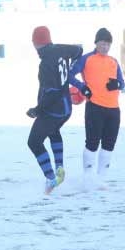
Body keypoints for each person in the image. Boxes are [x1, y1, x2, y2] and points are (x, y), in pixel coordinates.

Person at [27, 26, 82, 194]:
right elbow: (79, 50)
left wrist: (37, 110)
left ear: (35, 43)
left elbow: (51, 93)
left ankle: (51, 178)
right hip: (66, 108)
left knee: (34, 142)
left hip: (54, 109)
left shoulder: (45, 64)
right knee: (53, 131)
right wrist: (70, 68)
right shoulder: (61, 49)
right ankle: (59, 167)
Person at [70, 27, 125, 187]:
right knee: (92, 143)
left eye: (107, 44)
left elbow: (122, 83)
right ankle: (88, 177)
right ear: (96, 43)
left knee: (109, 144)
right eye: (102, 43)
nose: (105, 47)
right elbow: (69, 75)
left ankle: (101, 179)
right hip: (95, 107)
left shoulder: (113, 61)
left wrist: (117, 84)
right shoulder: (87, 59)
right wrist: (82, 87)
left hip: (113, 109)